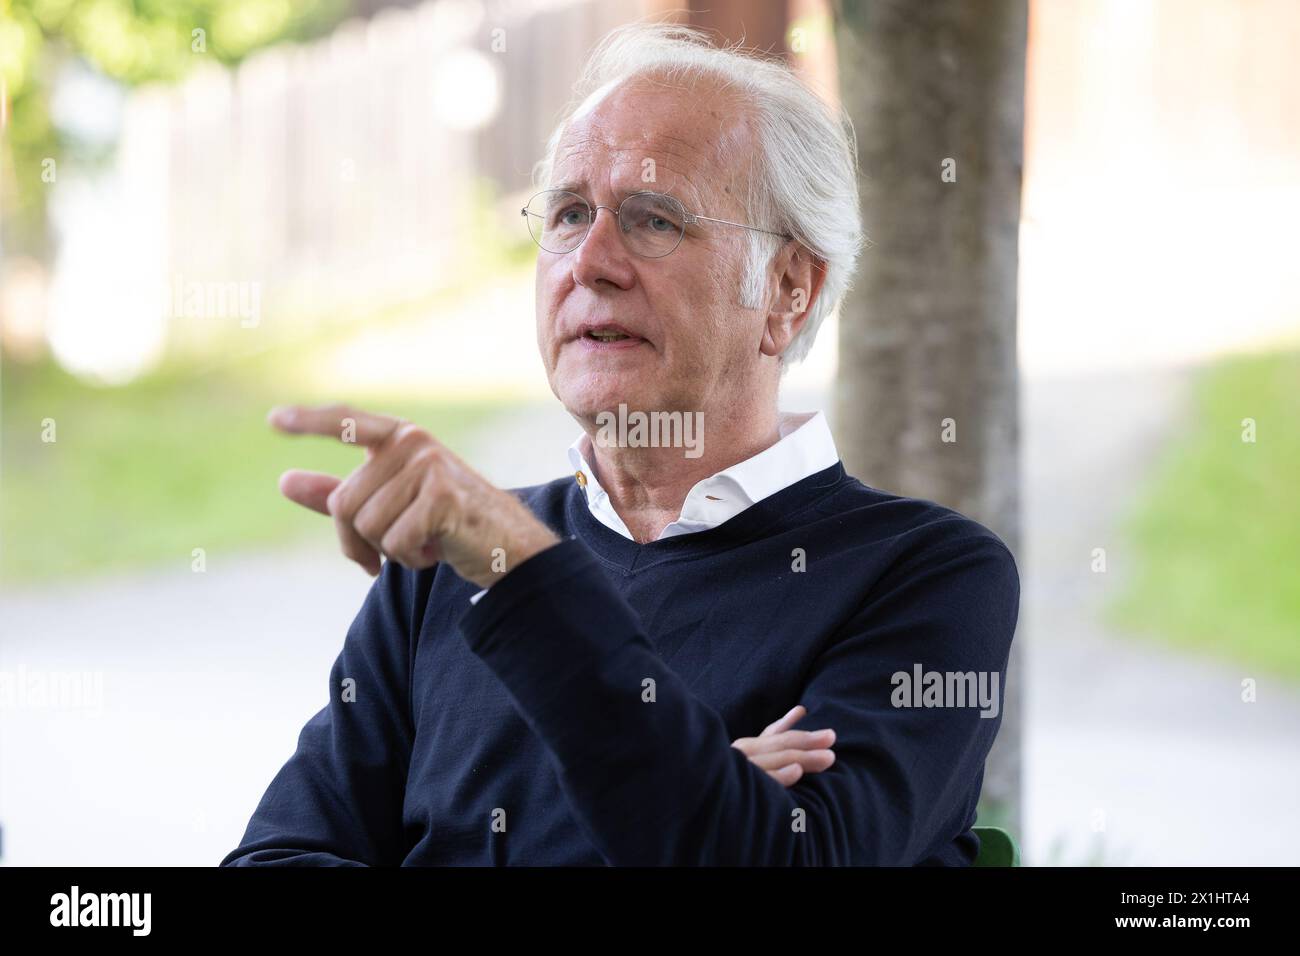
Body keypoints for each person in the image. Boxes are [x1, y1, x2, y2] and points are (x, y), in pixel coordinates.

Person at [221, 22, 1019, 867]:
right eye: (568, 213)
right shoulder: (441, 574)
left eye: (653, 220)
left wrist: (523, 572)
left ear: (788, 288)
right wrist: (695, 798)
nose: (589, 261)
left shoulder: (926, 574)